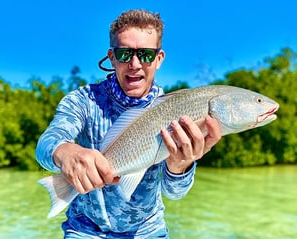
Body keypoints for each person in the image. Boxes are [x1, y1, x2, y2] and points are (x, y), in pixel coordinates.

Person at [36, 9, 221, 239]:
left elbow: (174, 193)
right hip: (85, 229)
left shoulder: (176, 109)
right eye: (124, 54)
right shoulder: (84, 101)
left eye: (145, 54)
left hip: (147, 230)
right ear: (112, 57)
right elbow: (45, 145)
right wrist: (64, 152)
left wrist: (179, 166)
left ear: (159, 58)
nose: (134, 64)